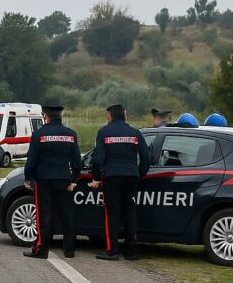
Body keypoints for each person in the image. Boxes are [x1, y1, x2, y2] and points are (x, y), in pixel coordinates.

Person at [89, 104, 150, 261]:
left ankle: (112, 250)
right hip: (131, 176)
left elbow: (97, 158)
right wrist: (140, 173)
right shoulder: (135, 133)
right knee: (130, 213)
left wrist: (96, 177)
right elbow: (146, 156)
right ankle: (131, 251)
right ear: (125, 115)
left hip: (112, 177)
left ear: (109, 117)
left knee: (112, 214)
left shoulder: (104, 132)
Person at [23, 105, 82, 259]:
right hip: (63, 179)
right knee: (67, 214)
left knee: (44, 215)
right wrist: (75, 179)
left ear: (45, 117)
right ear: (60, 116)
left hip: (43, 180)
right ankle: (69, 250)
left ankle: (42, 250)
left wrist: (28, 177)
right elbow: (77, 161)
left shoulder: (39, 134)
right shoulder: (71, 134)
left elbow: (32, 160)